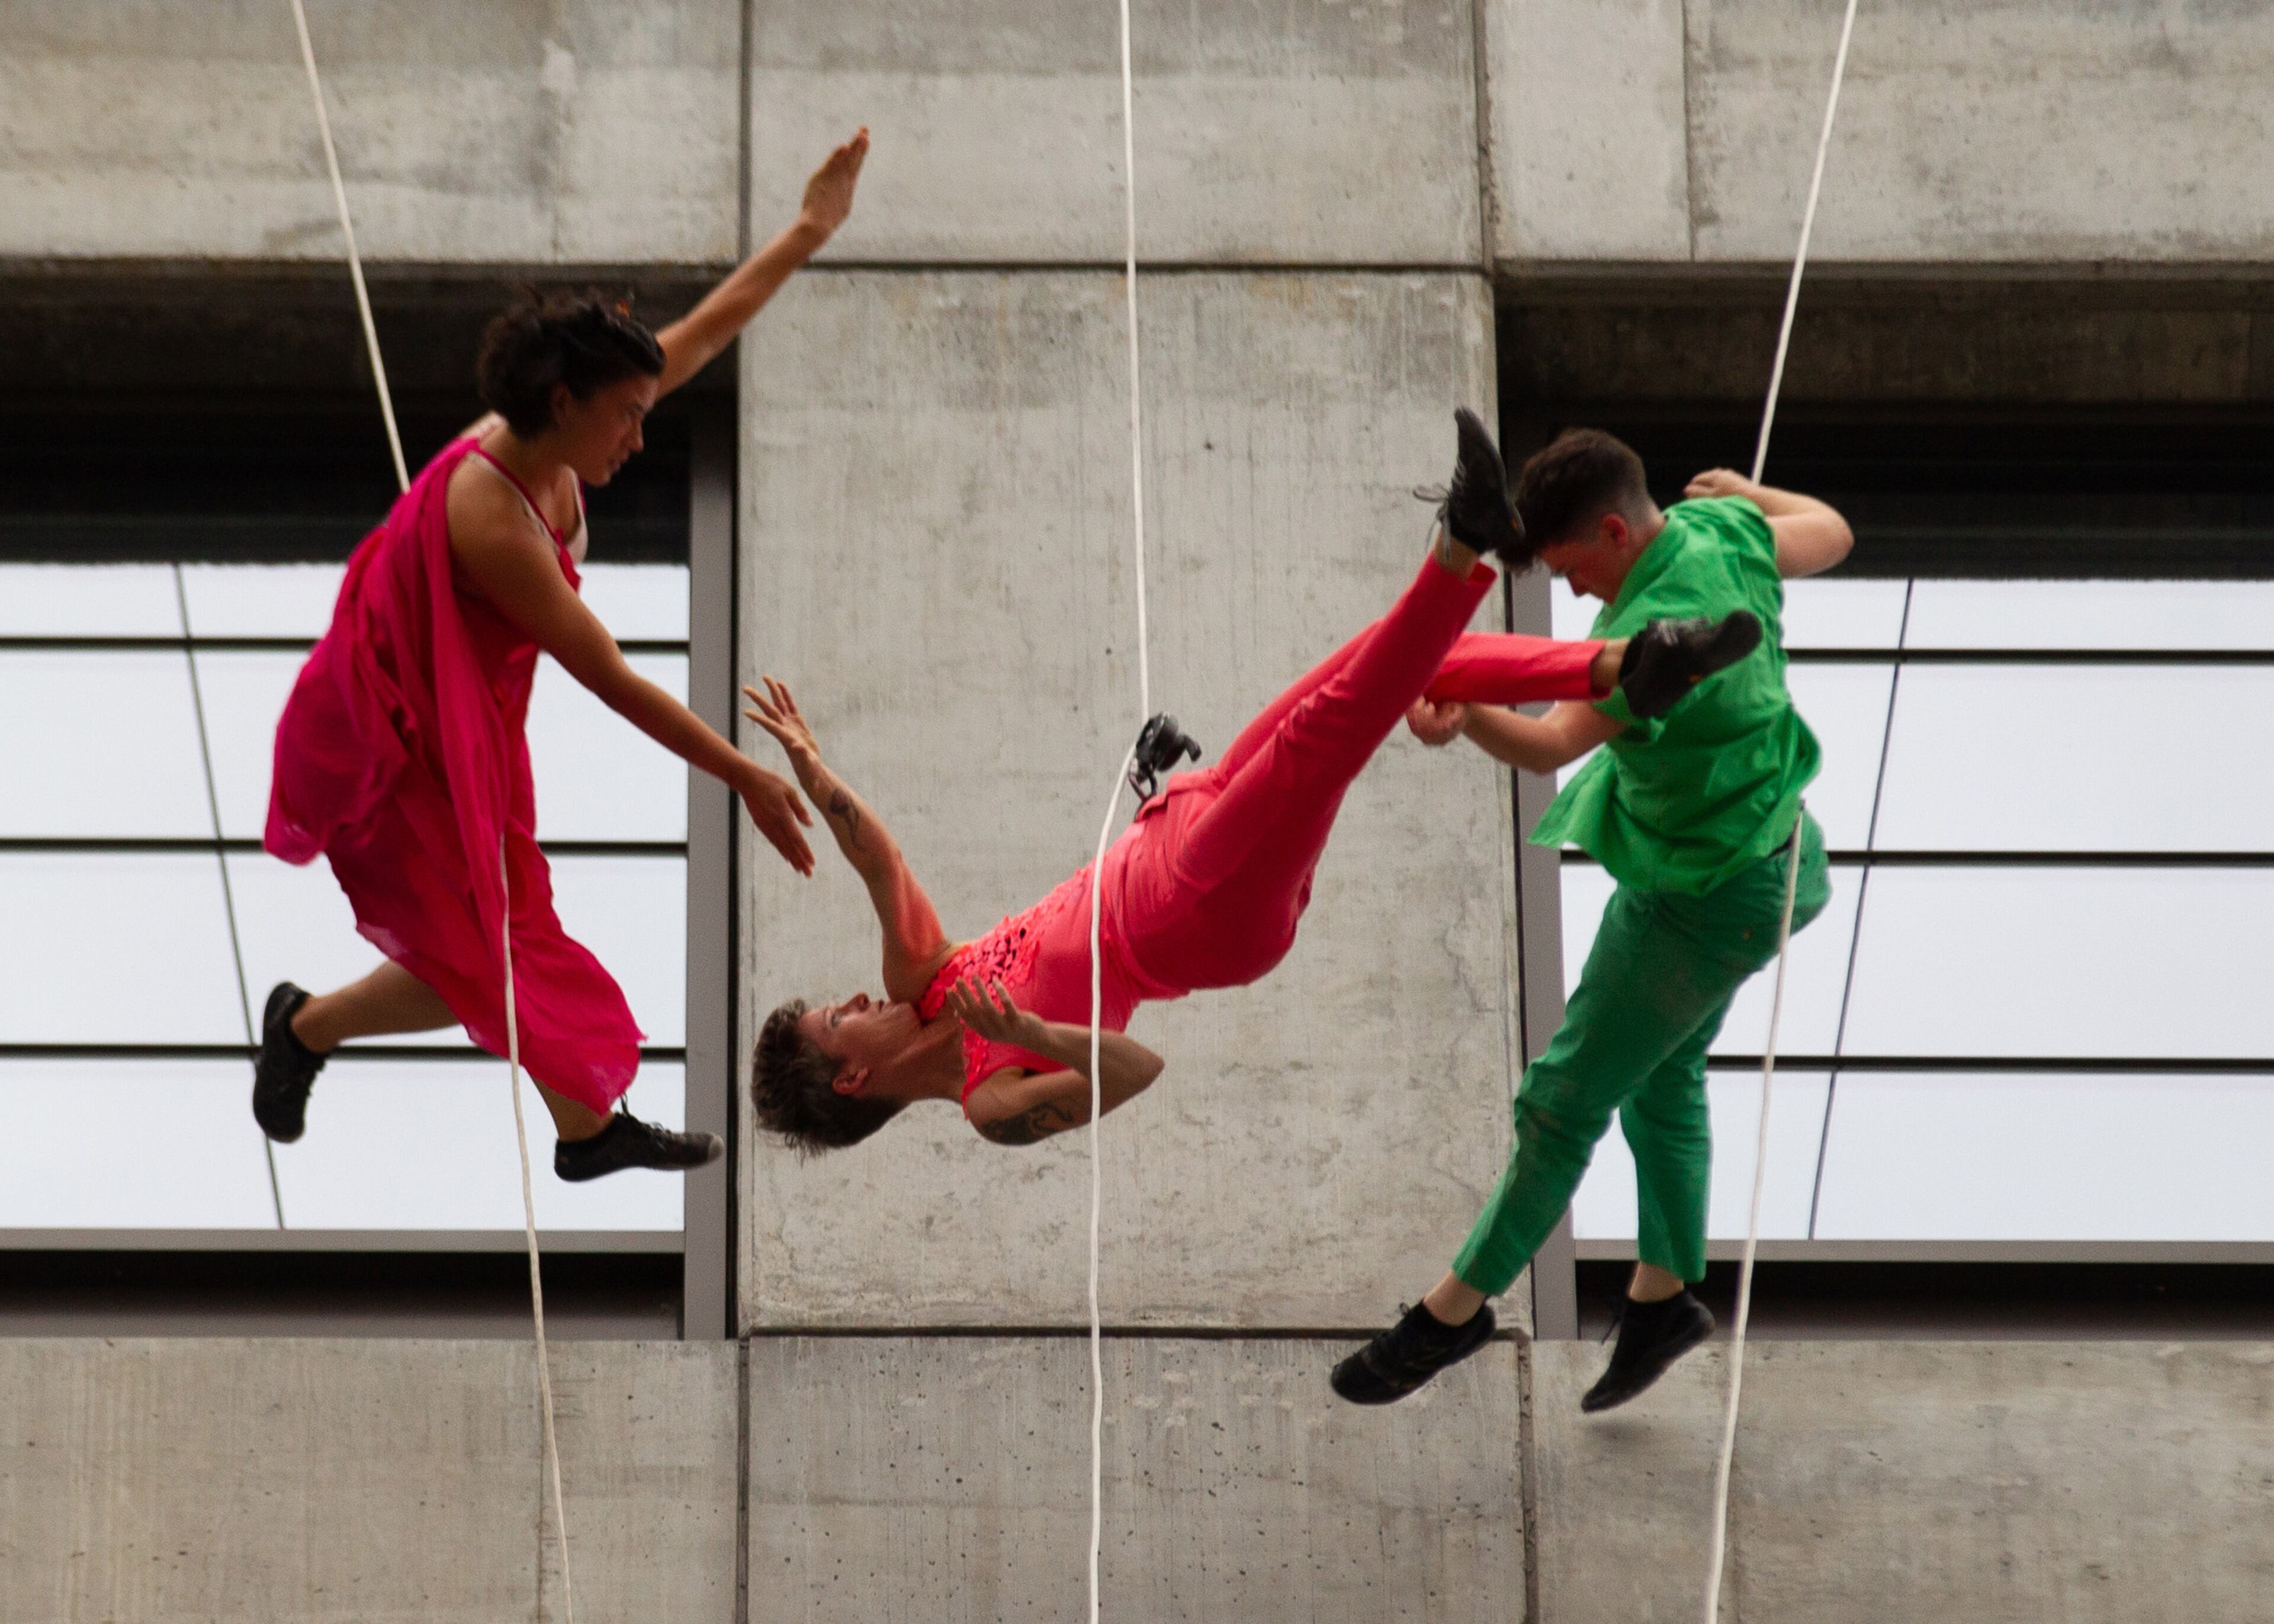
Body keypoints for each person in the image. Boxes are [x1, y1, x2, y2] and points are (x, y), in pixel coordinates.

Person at [743, 411, 1762, 1155]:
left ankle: (1629, 667)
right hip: (1193, 915)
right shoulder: (988, 1098)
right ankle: (1462, 544)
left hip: (1185, 831)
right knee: (1335, 720)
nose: (854, 996)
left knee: (1374, 669)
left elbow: (877, 859)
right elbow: (1137, 1074)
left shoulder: (927, 977)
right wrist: (1032, 1034)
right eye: (838, 1017)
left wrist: (811, 763)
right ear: (853, 1074)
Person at [253, 131, 871, 1182]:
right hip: (396, 735)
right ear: (562, 406)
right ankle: (582, 1129)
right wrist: (748, 779)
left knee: (479, 942)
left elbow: (709, 333)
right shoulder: (493, 519)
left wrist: (809, 231)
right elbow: (614, 681)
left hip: (466, 714)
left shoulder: (578, 418)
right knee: (493, 938)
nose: (641, 434)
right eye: (628, 417)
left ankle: (309, 1029)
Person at [1329, 428, 1854, 1411]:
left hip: (1699, 901)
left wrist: (1457, 704)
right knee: (1664, 1078)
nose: (1572, 594)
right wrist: (1752, 488)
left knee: (1563, 1102)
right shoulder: (1720, 527)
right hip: (1775, 864)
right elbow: (1829, 530)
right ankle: (1662, 1299)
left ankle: (1453, 1312)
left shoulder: (1647, 644)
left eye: (1573, 571)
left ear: (1616, 531)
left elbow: (1548, 747)